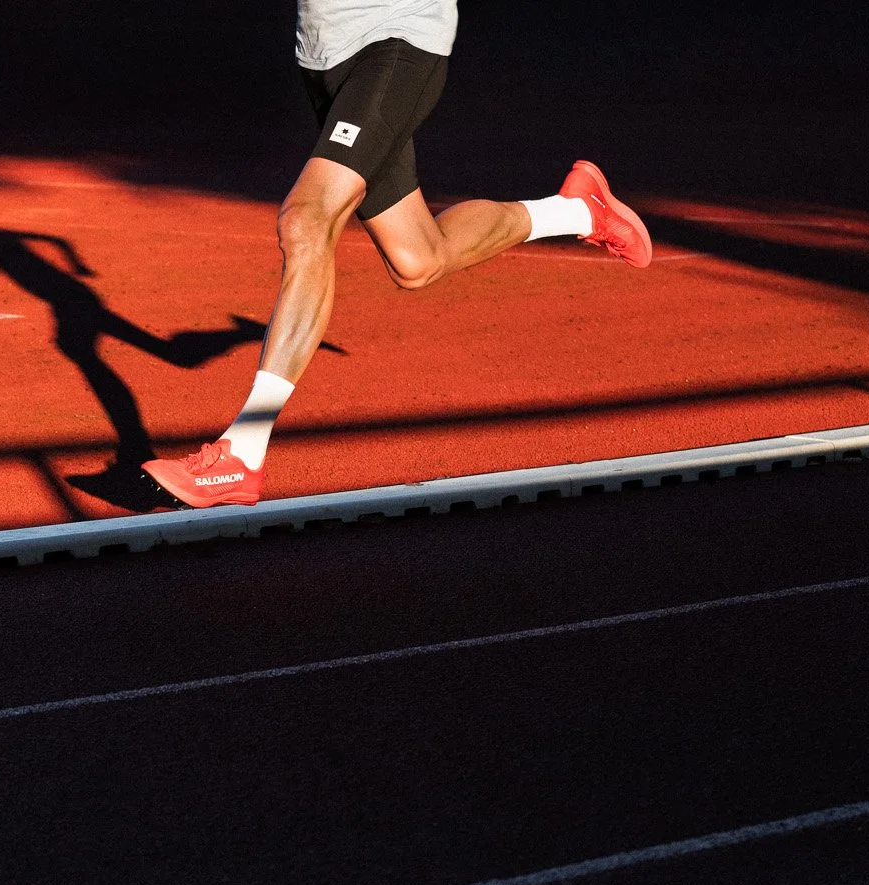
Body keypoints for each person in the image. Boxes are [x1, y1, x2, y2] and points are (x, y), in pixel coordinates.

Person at [141, 0, 652, 509]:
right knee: (417, 260)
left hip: (397, 44)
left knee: (306, 219)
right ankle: (576, 212)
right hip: (323, 57)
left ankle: (244, 451)